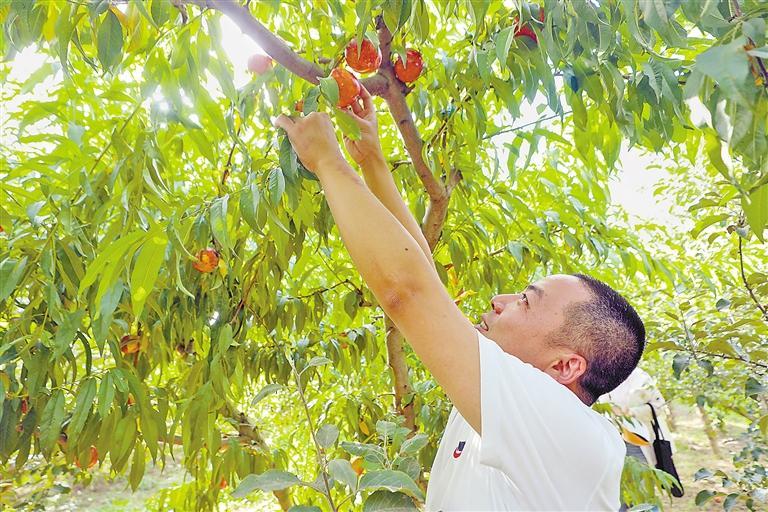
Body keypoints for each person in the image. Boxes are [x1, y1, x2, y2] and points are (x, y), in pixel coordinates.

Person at [274, 86, 646, 511]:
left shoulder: (572, 436)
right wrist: (372, 161)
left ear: (565, 366)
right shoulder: (503, 409)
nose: (499, 300)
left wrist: (327, 161)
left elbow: (408, 292)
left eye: (526, 301)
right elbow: (426, 282)